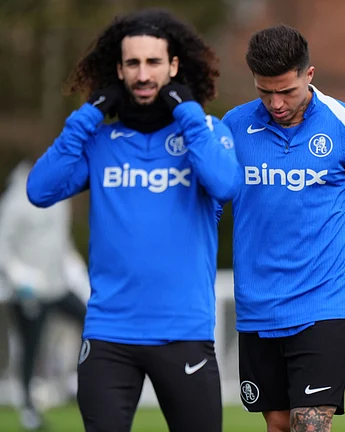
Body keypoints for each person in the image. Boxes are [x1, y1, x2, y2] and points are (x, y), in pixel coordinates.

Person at [26, 8, 241, 432]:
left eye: (153, 62)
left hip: (183, 332)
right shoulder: (100, 143)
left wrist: (190, 113)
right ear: (119, 71)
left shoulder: (206, 131)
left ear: (173, 66)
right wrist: (88, 114)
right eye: (133, 64)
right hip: (110, 334)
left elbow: (225, 183)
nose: (144, 74)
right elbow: (40, 189)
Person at [222, 24, 345, 432]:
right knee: (278, 423)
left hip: (325, 305)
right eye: (265, 92)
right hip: (257, 308)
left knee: (309, 426)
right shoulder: (234, 128)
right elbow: (206, 209)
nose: (276, 103)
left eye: (286, 91)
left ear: (308, 75)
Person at [0, 160, 87, 431]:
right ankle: (28, 407)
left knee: (91, 321)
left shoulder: (58, 198)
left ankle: (76, 381)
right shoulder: (14, 202)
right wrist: (19, 277)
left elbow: (61, 242)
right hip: (27, 292)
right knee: (30, 348)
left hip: (57, 285)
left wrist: (75, 270)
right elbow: (2, 245)